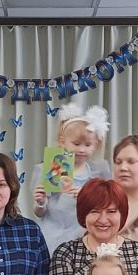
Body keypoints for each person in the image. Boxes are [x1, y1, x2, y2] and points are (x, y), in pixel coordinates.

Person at [33, 103, 113, 252]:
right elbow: (40, 214)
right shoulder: (52, 169)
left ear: (95, 145)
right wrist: (40, 203)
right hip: (52, 235)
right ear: (63, 141)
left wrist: (86, 197)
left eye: (88, 145)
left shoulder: (98, 173)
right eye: (76, 144)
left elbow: (106, 206)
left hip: (84, 235)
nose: (82, 150)